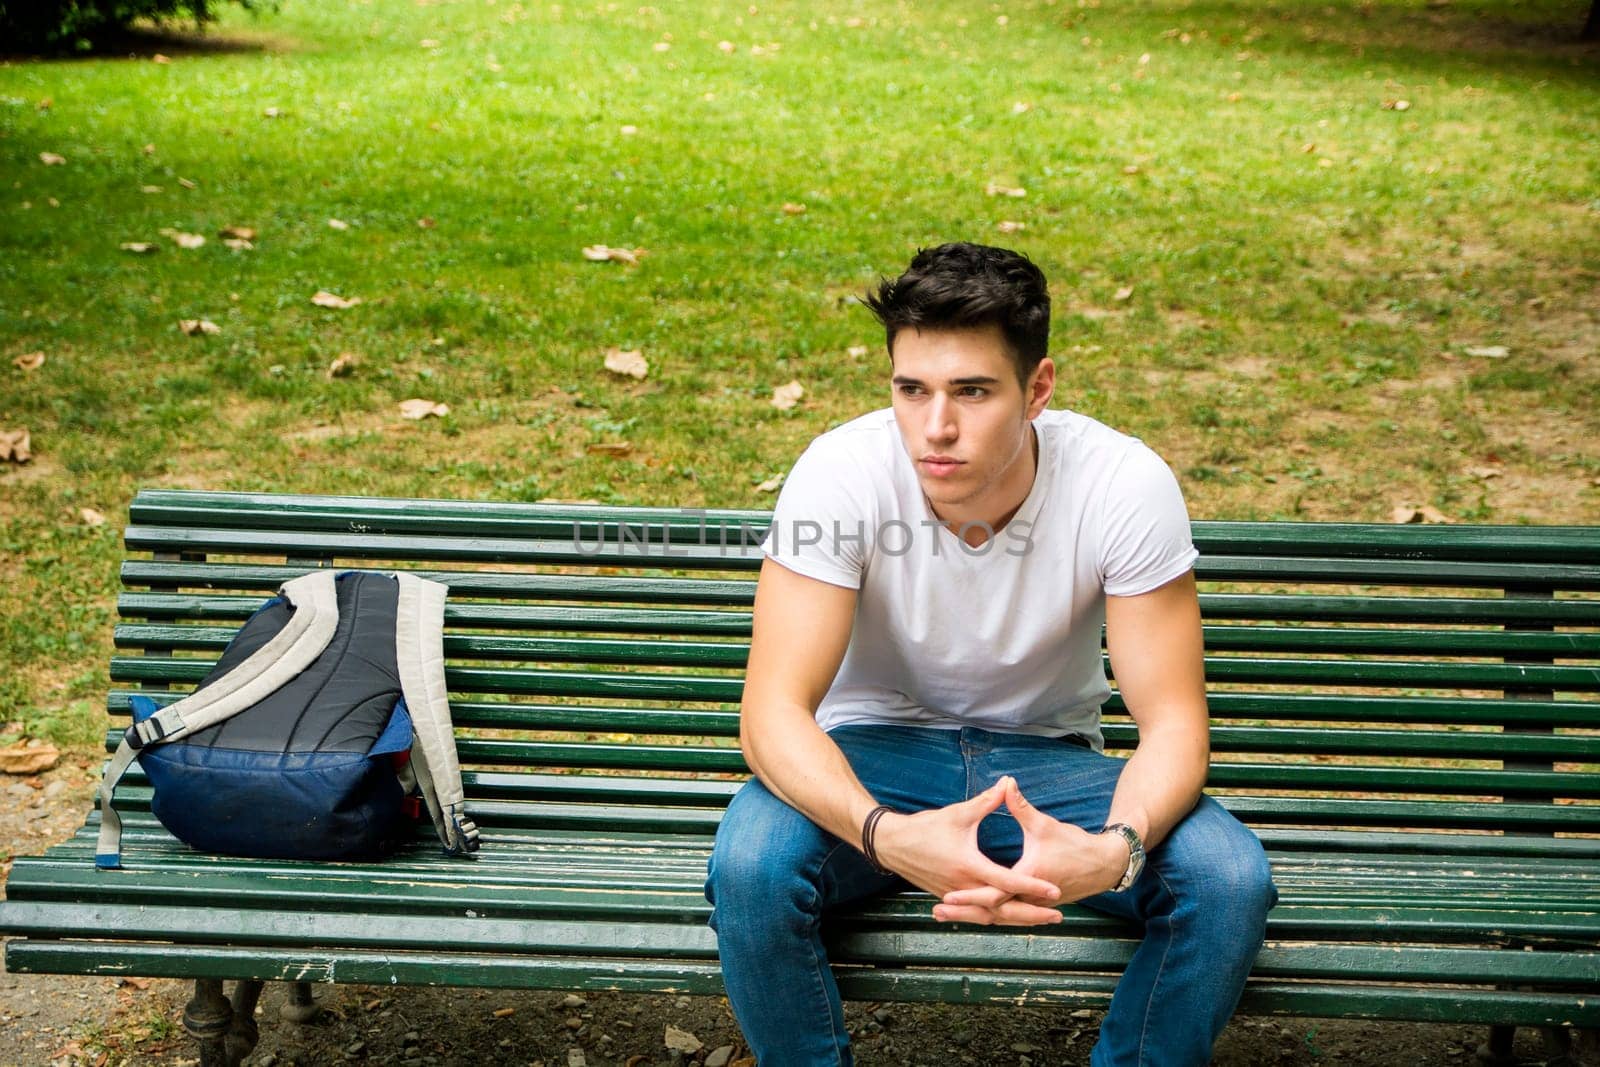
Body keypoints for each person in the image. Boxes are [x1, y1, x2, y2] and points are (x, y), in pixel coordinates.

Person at [704, 242, 1276, 1067]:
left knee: (1227, 882)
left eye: (972, 391)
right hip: (873, 756)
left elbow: (1177, 723)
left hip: (1049, 765)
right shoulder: (841, 474)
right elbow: (771, 714)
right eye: (912, 390)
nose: (936, 427)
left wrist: (1116, 847)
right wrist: (886, 835)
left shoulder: (1122, 483)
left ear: (1038, 387)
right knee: (752, 868)